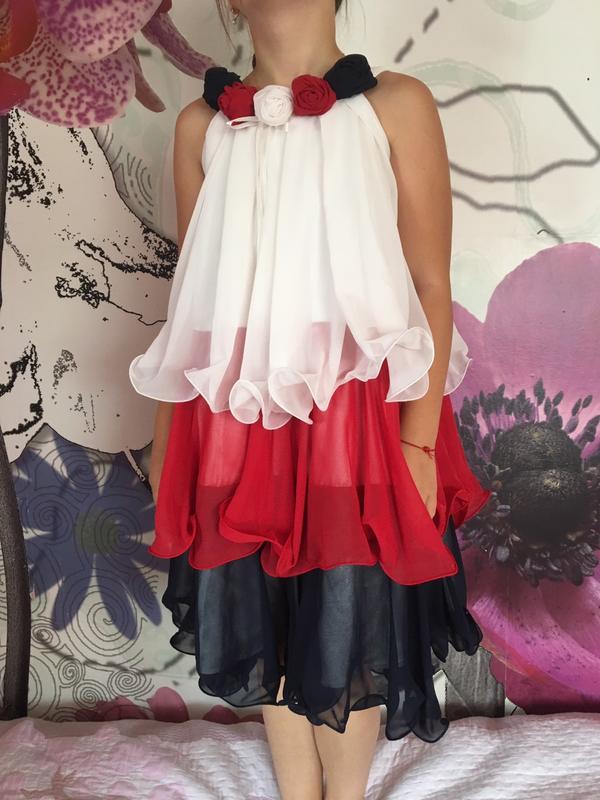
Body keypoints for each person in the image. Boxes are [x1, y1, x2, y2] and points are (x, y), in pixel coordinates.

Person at [128, 1, 492, 797]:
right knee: (258, 593)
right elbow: (192, 301)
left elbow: (430, 282)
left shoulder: (394, 105)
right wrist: (167, 435)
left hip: (354, 407)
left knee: (349, 594)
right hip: (234, 408)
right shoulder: (201, 126)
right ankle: (297, 790)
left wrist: (418, 439)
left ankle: (346, 791)